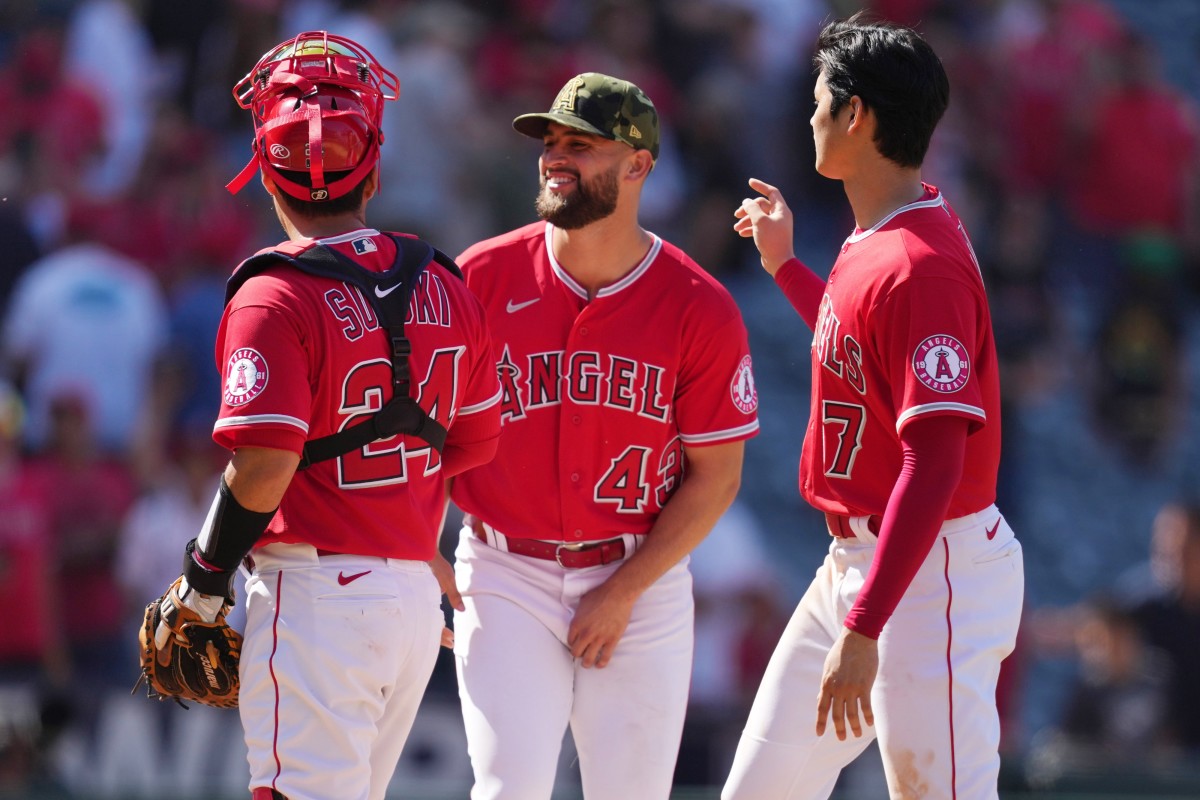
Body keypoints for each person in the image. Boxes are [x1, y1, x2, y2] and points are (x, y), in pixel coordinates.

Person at [137, 31, 501, 800]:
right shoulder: (444, 277)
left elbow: (265, 464)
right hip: (407, 599)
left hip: (317, 597)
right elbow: (469, 446)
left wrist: (203, 579)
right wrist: (402, 531)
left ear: (265, 161)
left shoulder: (272, 291)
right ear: (372, 156)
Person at [722, 13, 1024, 800]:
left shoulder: (921, 264)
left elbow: (936, 460)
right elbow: (859, 350)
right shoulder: (886, 228)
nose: (810, 117)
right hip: (862, 564)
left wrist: (864, 628)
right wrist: (785, 267)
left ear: (857, 116)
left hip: (934, 567)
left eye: (822, 101)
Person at [449, 72, 760, 799]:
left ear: (638, 165)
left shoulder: (698, 307)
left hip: (640, 577)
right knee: (507, 789)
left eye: (580, 145)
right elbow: (430, 434)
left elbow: (717, 476)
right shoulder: (480, 278)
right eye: (550, 142)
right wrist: (419, 549)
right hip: (504, 571)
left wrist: (622, 591)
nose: (555, 157)